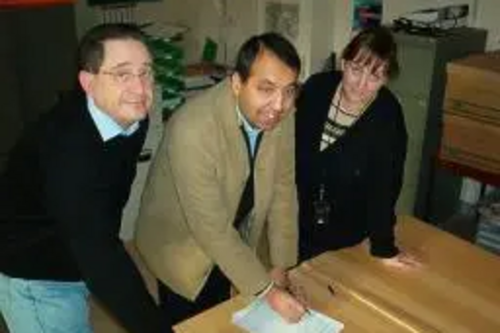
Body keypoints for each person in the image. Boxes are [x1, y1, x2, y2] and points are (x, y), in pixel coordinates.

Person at [0, 23, 166, 332]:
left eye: (146, 72)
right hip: (35, 273)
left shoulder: (132, 115)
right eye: (122, 74)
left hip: (73, 247)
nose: (140, 88)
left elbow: (106, 196)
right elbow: (100, 256)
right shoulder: (67, 149)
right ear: (88, 82)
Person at [135, 32, 306, 326]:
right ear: (237, 83)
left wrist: (280, 265)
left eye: (289, 91)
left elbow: (283, 191)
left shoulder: (283, 114)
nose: (279, 105)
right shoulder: (191, 129)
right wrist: (267, 291)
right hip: (181, 242)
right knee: (191, 319)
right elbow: (210, 228)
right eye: (266, 88)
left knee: (224, 314)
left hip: (233, 228)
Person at [295, 26, 422, 270]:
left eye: (375, 76)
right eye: (356, 70)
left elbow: (384, 185)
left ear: (385, 79)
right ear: (344, 63)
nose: (361, 84)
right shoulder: (316, 89)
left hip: (347, 235)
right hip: (295, 221)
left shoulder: (387, 115)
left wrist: (383, 246)